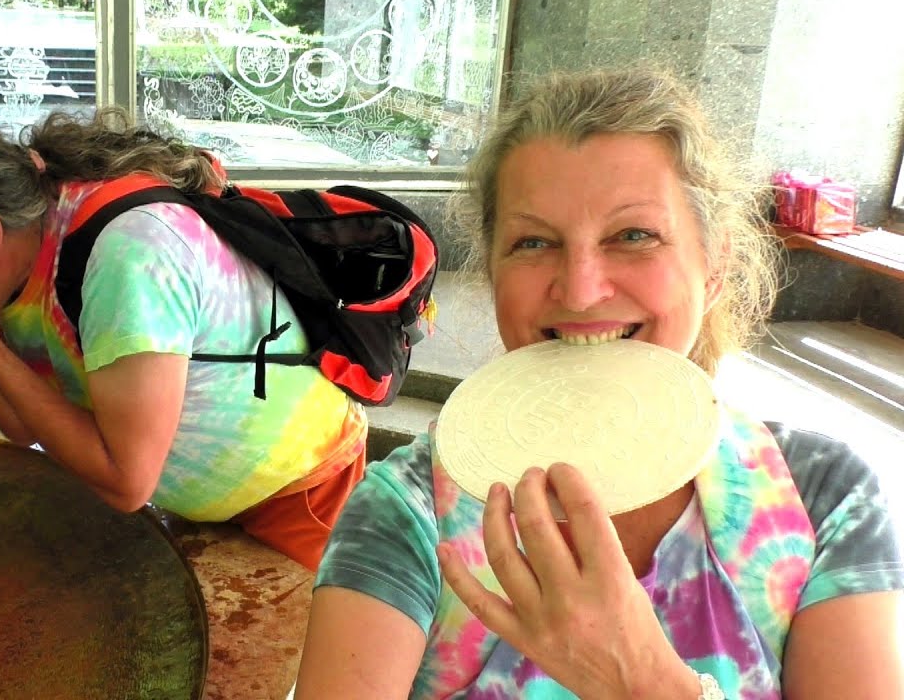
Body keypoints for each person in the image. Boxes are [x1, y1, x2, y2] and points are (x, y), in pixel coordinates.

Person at [294, 68, 904, 698]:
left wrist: (639, 680)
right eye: (534, 242)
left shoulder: (824, 496)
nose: (581, 290)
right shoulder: (411, 513)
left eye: (633, 236)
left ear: (714, 264)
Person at [0, 108, 368, 571]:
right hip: (210, 499)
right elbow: (22, 423)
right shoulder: (14, 258)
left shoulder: (128, 253)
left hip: (300, 490)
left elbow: (126, 479)